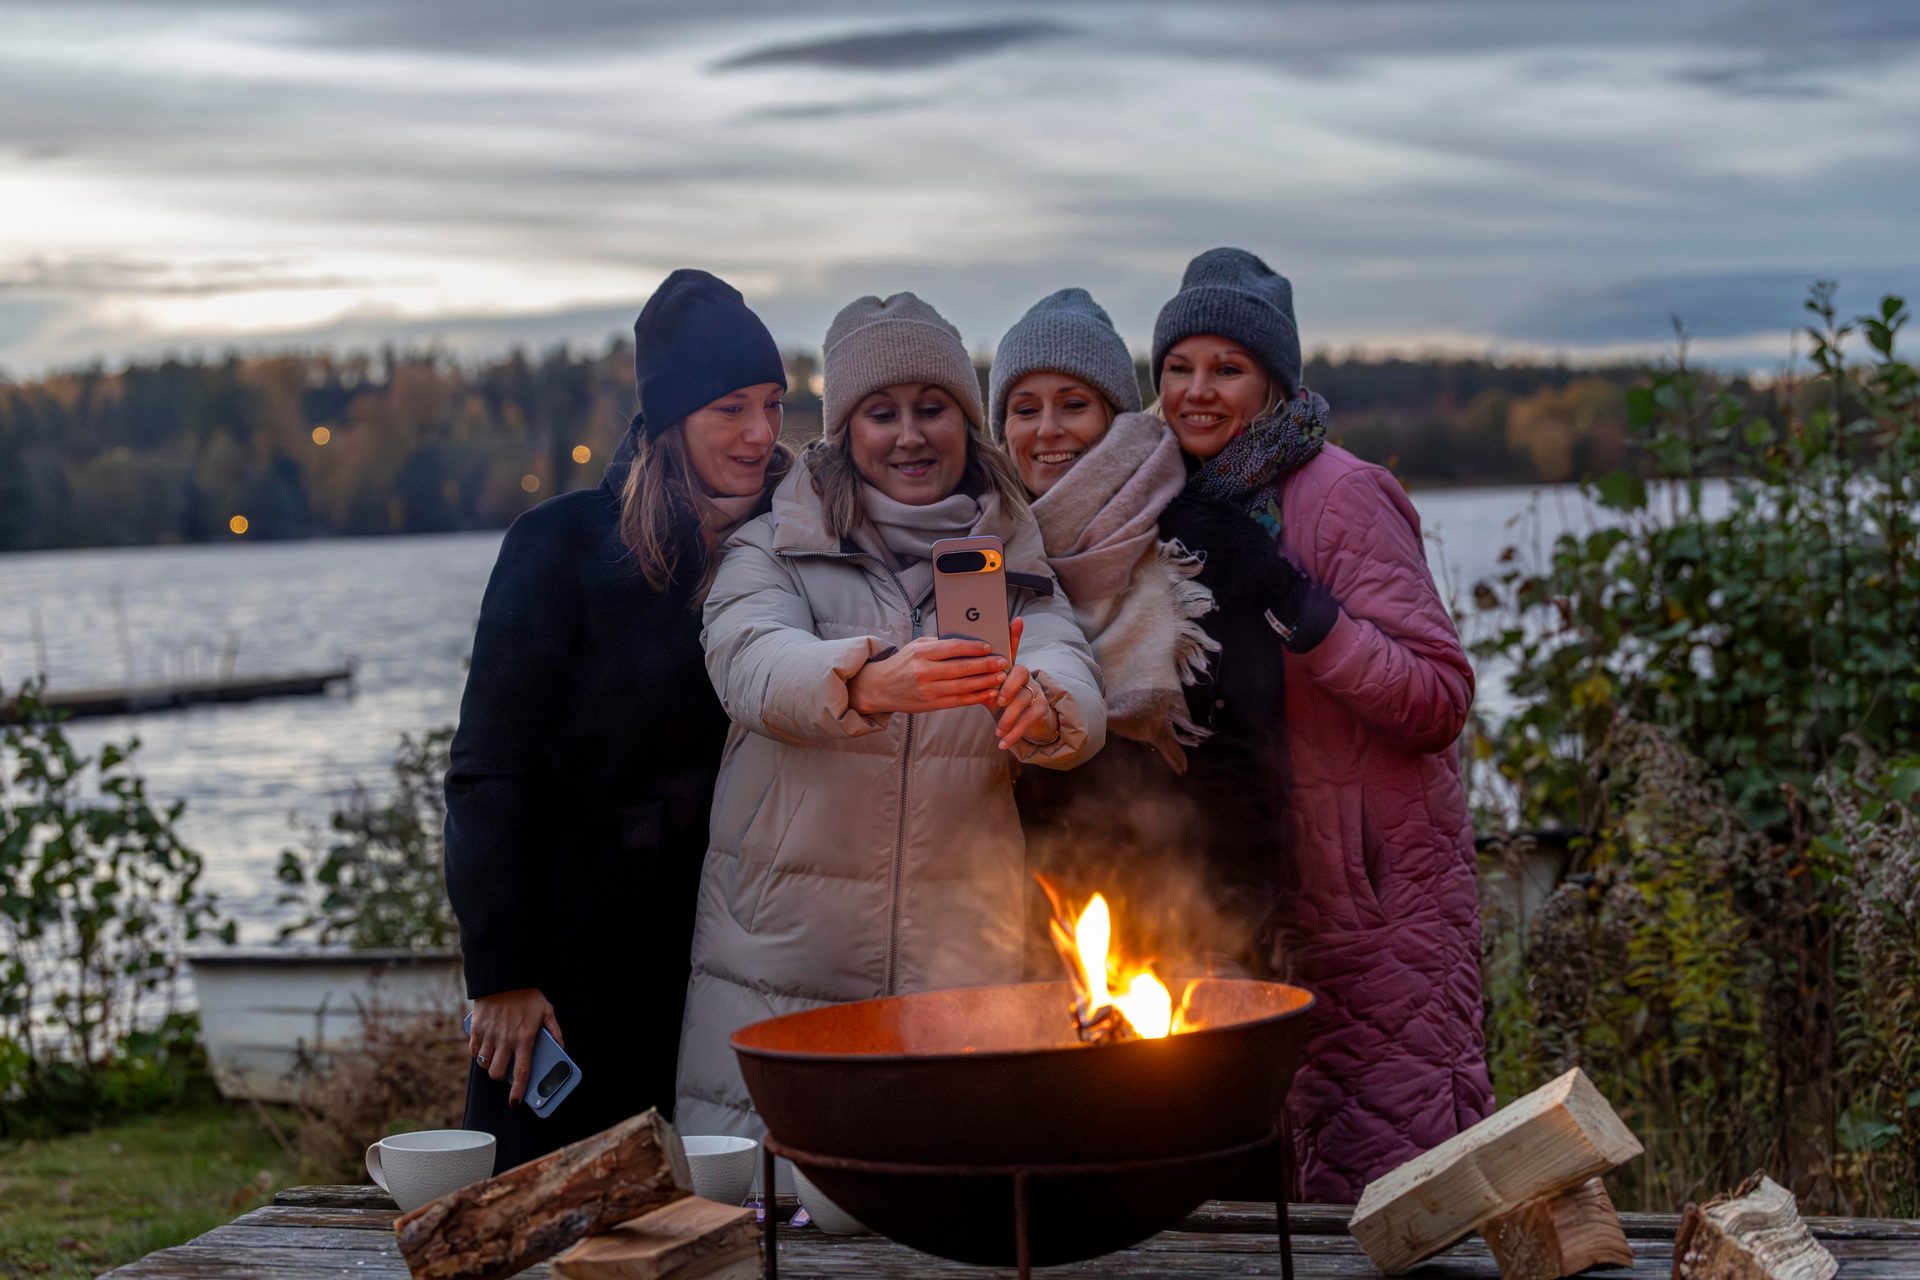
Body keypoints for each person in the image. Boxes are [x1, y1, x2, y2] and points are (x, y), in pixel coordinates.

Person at [674, 292, 1105, 1148]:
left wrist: (1044, 707)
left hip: (959, 977)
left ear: (965, 423)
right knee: (770, 1231)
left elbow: (1068, 666)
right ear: (845, 432)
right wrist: (868, 682)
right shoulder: (775, 547)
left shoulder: (1011, 558)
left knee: (942, 1228)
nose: (909, 435)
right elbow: (748, 659)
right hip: (776, 972)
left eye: (932, 408)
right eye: (882, 413)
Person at [1150, 246, 1496, 1200]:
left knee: (1398, 1180)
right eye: (1179, 369)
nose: (1197, 392)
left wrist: (1297, 608)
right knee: (1273, 1188)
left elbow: (1438, 698)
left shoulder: (1341, 493)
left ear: (1273, 382)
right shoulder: (1168, 502)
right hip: (1254, 890)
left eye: (1227, 369)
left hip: (1371, 895)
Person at [445, 269, 791, 1170]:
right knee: (545, 1229)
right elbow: (489, 772)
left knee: (722, 1232)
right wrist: (504, 975)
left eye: (773, 405)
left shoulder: (799, 551)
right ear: (671, 419)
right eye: (730, 410)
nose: (760, 435)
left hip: (728, 974)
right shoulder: (558, 547)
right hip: (569, 984)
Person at [988, 287, 1289, 976]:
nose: (1048, 430)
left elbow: (1249, 761)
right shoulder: (991, 550)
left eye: (1074, 404)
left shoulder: (1202, 542)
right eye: (1024, 409)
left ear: (1116, 417)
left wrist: (1229, 940)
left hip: (1195, 925)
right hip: (1044, 932)